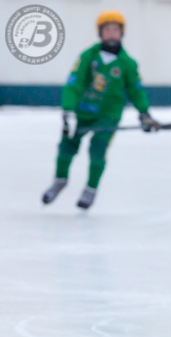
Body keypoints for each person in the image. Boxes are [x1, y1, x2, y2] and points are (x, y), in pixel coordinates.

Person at [42, 11, 159, 210]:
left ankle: (91, 189)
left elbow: (136, 90)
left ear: (122, 33)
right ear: (100, 33)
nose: (112, 34)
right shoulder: (88, 56)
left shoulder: (127, 64)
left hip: (108, 115)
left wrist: (144, 113)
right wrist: (68, 110)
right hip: (83, 111)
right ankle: (60, 180)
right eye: (107, 30)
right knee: (67, 145)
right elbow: (74, 83)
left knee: (98, 148)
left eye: (116, 30)